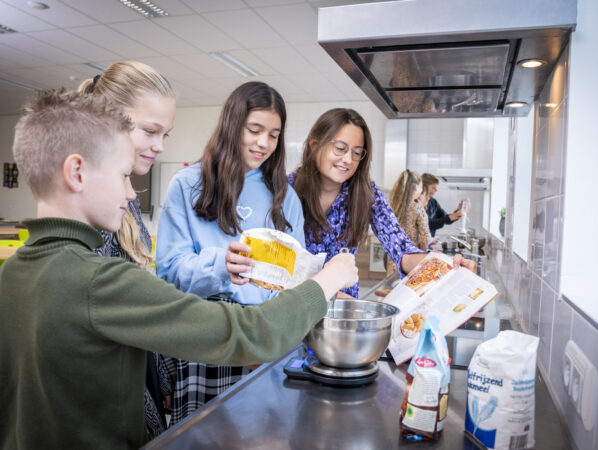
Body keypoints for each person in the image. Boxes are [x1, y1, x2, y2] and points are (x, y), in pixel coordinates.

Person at [1, 89, 358, 449]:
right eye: (125, 176)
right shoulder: (102, 281)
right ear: (77, 172)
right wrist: (328, 278)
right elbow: (249, 334)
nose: (131, 194)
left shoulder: (11, 274)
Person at [155, 81, 305, 424]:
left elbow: (296, 276)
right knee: (204, 436)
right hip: (208, 334)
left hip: (267, 334)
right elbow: (169, 272)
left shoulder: (285, 196)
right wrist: (220, 265)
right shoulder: (189, 183)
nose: (264, 143)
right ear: (232, 124)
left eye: (274, 134)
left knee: (264, 434)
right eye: (254, 130)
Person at [79, 60, 176, 438]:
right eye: (151, 131)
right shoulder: (93, 207)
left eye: (166, 134)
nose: (160, 146)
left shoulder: (127, 198)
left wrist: (162, 380)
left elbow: (146, 298)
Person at [289, 108, 474, 298]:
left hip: (343, 310)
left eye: (356, 153)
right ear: (314, 144)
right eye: (340, 148)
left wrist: (446, 266)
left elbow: (402, 250)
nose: (347, 160)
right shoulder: (286, 191)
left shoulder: (367, 193)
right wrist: (326, 292)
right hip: (294, 303)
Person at [386, 170, 432, 276]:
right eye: (421, 187)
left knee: (393, 290)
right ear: (416, 187)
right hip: (411, 265)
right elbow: (425, 239)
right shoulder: (417, 209)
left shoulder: (391, 207)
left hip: (393, 262)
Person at [421, 172, 464, 237]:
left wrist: (458, 212)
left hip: (428, 244)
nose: (436, 190)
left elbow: (447, 219)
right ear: (424, 187)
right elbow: (425, 224)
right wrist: (447, 218)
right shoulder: (416, 203)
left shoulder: (433, 202)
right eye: (433, 187)